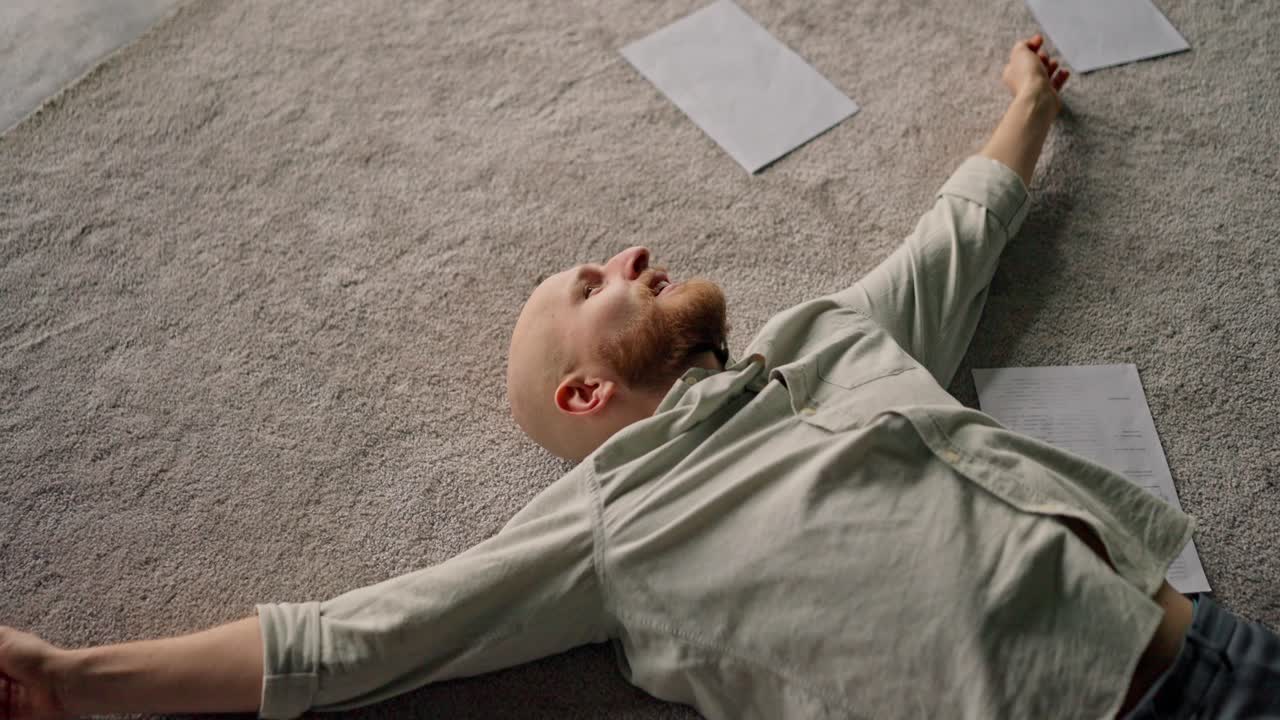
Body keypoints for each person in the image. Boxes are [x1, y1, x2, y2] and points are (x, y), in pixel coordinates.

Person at [3, 34, 1277, 720]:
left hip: (1220, 651)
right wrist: (73, 678)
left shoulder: (824, 336)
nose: (629, 255)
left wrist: (1028, 100)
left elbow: (960, 232)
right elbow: (354, 638)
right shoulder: (610, 520)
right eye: (590, 281)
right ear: (583, 394)